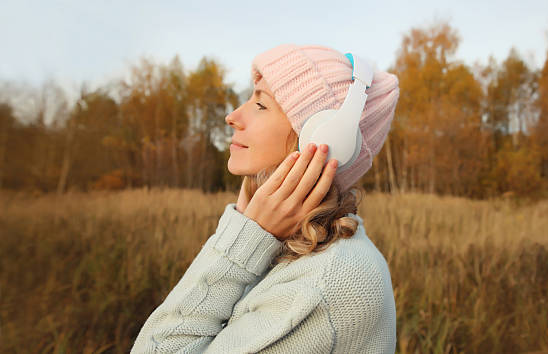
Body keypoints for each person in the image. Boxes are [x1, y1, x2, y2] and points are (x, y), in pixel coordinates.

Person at [131, 44, 400, 353]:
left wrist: (240, 244)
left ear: (328, 140)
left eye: (260, 105)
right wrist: (252, 228)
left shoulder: (324, 286)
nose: (232, 116)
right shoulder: (288, 245)